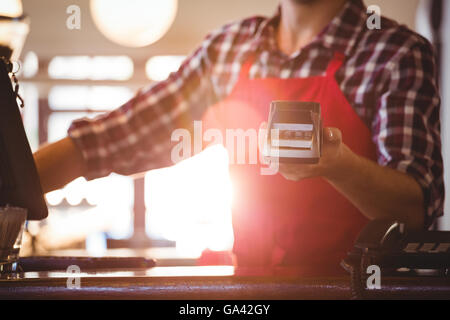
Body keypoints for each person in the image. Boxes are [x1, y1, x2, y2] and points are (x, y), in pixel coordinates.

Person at [35, 0, 444, 275]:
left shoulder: (397, 53)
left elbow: (413, 211)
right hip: (249, 295)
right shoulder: (228, 49)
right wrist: (17, 182)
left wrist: (339, 165)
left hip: (355, 293)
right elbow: (117, 137)